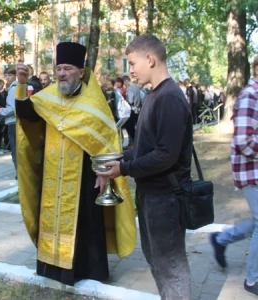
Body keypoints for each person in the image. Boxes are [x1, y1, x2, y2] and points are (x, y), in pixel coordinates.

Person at [14, 42, 136, 286]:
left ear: (81, 72)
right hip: (52, 173)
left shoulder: (94, 102)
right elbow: (26, 114)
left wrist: (104, 172)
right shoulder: (48, 97)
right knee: (51, 215)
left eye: (67, 68)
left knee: (86, 224)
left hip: (84, 176)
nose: (61, 74)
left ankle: (86, 270)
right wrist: (21, 83)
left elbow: (107, 138)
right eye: (59, 68)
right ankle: (51, 267)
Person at [97, 34, 193, 299]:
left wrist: (124, 169)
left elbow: (165, 156)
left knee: (170, 266)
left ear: (149, 59)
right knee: (157, 262)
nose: (130, 71)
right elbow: (145, 147)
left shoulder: (170, 97)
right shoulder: (154, 95)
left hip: (167, 198)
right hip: (152, 195)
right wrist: (118, 157)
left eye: (132, 63)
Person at [209, 56, 258, 297]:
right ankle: (252, 280)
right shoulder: (250, 95)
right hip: (252, 170)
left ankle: (221, 239)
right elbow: (244, 143)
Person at [0, 68, 17, 172]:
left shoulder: (13, 89)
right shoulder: (16, 88)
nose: (7, 78)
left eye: (10, 75)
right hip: (15, 121)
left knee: (15, 150)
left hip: (13, 122)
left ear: (15, 75)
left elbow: (12, 108)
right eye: (6, 75)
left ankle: (19, 173)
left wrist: (0, 111)